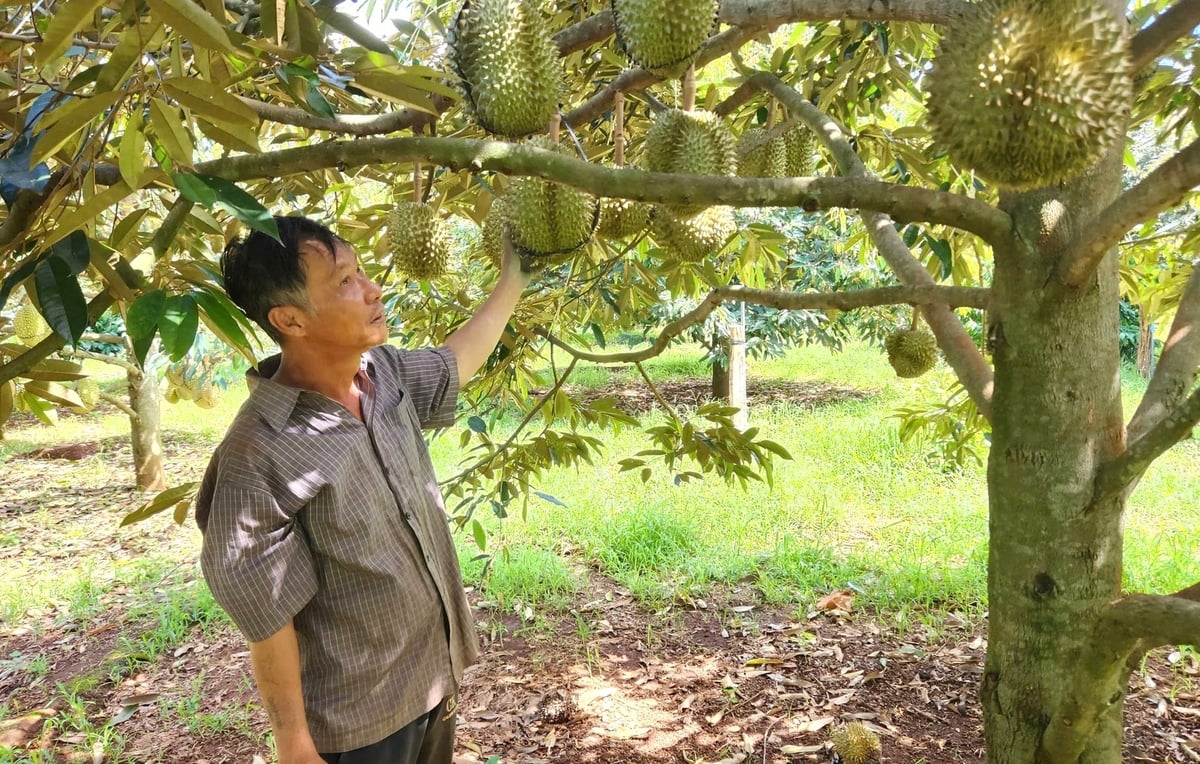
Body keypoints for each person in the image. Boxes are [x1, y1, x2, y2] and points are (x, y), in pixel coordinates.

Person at [195, 215, 531, 764]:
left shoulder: (382, 374)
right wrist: (293, 741)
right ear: (290, 319)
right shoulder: (257, 453)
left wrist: (514, 277)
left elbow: (454, 364)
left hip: (431, 679)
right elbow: (266, 613)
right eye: (346, 281)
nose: (373, 290)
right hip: (359, 721)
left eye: (362, 272)